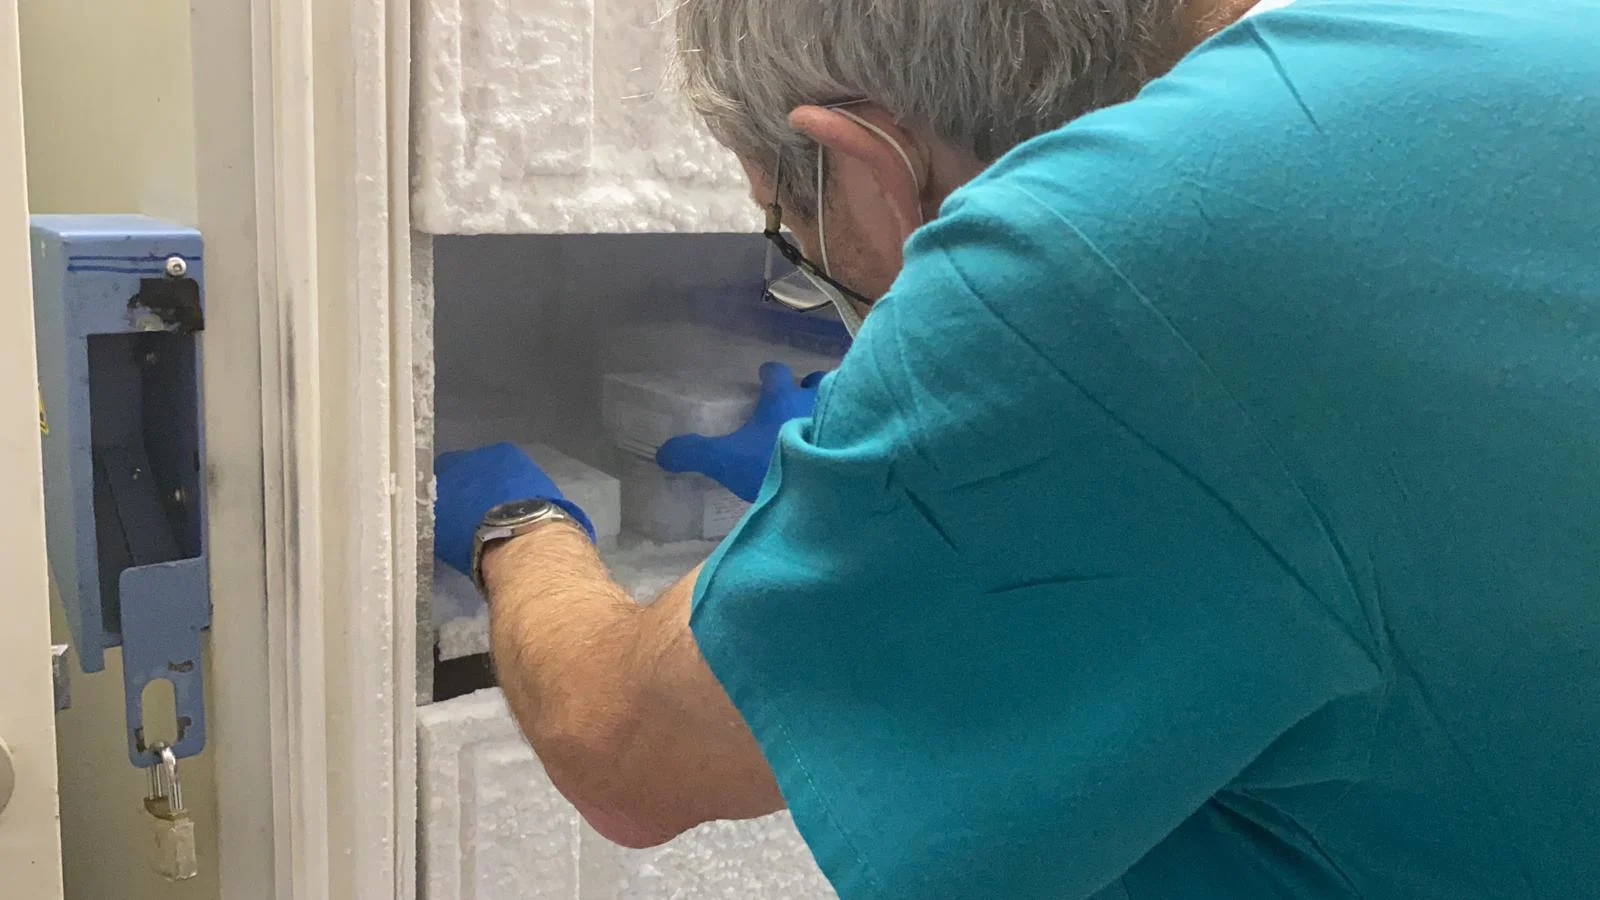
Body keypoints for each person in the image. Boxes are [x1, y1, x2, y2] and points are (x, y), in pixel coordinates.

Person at [432, 0, 1600, 896]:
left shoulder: (1107, 258)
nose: (813, 274)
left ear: (861, 156)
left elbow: (623, 747)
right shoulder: (1506, 43)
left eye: (794, 235)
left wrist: (518, 521)